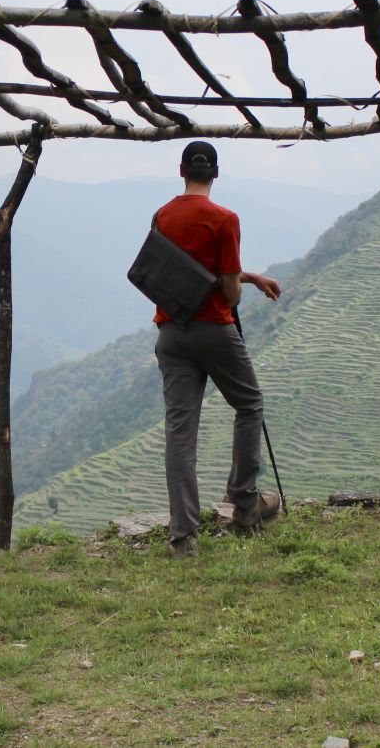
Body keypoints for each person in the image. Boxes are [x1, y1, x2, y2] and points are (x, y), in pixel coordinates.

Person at [153, 141, 283, 557]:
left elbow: (185, 270)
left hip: (172, 332)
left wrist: (251, 276)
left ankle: (183, 537)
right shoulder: (225, 219)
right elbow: (226, 290)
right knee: (249, 404)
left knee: (180, 431)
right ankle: (244, 503)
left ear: (181, 171)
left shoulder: (163, 215)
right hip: (213, 330)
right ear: (216, 174)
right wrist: (240, 287)